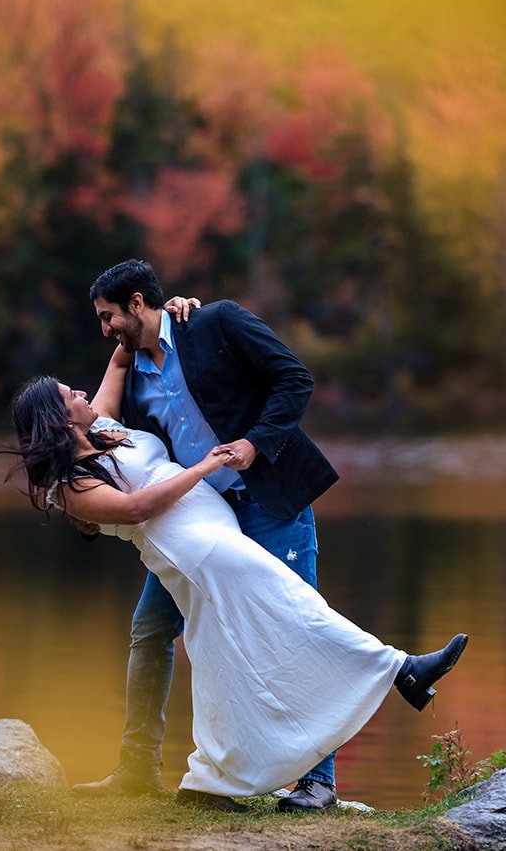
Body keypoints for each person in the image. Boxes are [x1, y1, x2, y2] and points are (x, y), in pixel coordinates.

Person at [0, 375, 468, 810]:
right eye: (70, 395)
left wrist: (176, 304)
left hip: (211, 533)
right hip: (198, 551)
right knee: (294, 605)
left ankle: (210, 782)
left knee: (218, 656)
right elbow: (135, 507)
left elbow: (123, 353)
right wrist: (202, 467)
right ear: (60, 418)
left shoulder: (99, 426)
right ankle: (400, 669)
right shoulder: (74, 482)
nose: (82, 394)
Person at [75, 259, 349, 811]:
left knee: (298, 625)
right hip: (199, 521)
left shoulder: (217, 323)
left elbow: (295, 379)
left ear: (136, 303)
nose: (104, 328)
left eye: (109, 317)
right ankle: (136, 770)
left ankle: (318, 781)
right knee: (150, 629)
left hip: (270, 504)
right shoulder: (130, 375)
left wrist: (254, 442)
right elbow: (110, 441)